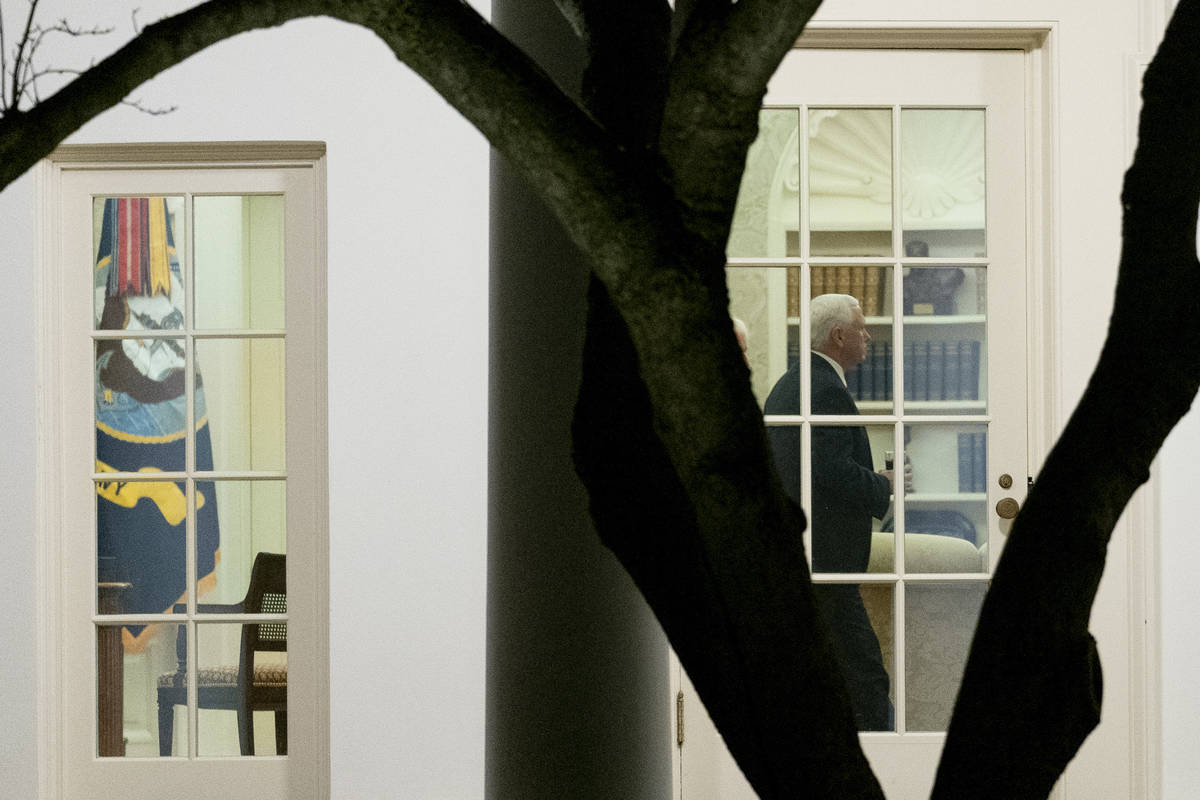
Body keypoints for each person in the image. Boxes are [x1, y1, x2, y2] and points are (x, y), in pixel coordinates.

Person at [763, 293, 900, 731]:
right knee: (865, 677)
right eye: (861, 327)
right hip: (825, 561)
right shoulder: (824, 389)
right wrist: (884, 484)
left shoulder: (794, 382)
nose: (868, 335)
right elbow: (831, 470)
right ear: (839, 336)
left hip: (805, 553)